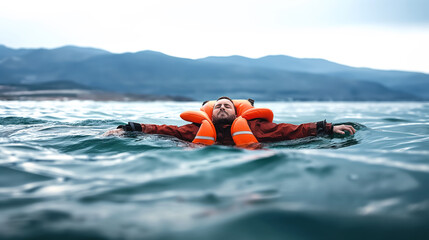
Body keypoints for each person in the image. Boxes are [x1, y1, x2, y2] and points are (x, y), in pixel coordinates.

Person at [105, 97, 356, 146]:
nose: (223, 107)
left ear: (237, 113)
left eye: (228, 106)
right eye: (219, 106)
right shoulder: (193, 130)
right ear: (210, 113)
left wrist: (327, 128)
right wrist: (129, 129)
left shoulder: (257, 127)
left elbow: (291, 131)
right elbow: (162, 130)